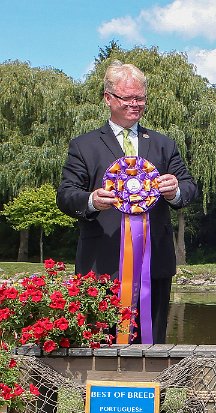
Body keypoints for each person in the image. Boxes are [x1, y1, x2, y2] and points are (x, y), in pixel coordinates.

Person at [57, 61, 198, 344]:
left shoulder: (164, 145)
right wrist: (92, 200)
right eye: (127, 98)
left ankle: (154, 390)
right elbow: (66, 195)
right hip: (101, 265)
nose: (135, 104)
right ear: (108, 98)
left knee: (153, 345)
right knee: (100, 347)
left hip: (153, 264)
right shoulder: (84, 146)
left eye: (140, 98)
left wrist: (175, 192)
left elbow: (190, 188)